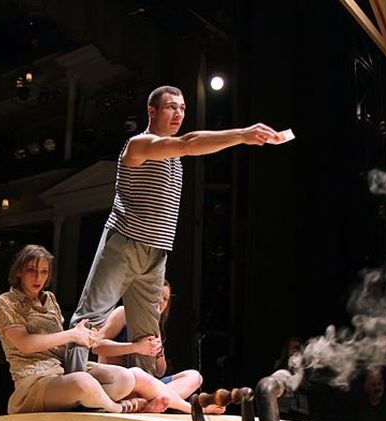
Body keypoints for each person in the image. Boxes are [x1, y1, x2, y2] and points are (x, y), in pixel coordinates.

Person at [67, 85, 290, 376]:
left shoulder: (174, 158)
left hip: (156, 253)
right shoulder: (139, 144)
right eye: (171, 107)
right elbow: (188, 142)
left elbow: (183, 146)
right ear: (152, 111)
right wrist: (242, 135)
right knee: (89, 320)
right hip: (124, 244)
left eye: (183, 108)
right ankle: (72, 387)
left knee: (147, 336)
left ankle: (144, 392)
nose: (179, 113)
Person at [0, 244, 169, 414]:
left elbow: (64, 343)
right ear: (19, 271)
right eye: (31, 270)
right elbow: (26, 344)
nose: (38, 277)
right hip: (34, 381)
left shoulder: (49, 299)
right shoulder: (5, 302)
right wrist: (72, 335)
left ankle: (93, 402)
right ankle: (118, 408)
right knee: (82, 381)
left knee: (124, 379)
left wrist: (88, 335)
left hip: (63, 371)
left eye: (44, 271)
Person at [93, 280, 224, 414]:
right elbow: (96, 346)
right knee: (137, 374)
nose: (161, 302)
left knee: (195, 376)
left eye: (165, 299)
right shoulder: (124, 313)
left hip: (145, 387)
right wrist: (137, 347)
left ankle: (147, 404)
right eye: (157, 296)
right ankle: (192, 408)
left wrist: (158, 353)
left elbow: (160, 372)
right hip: (122, 384)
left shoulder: (154, 326)